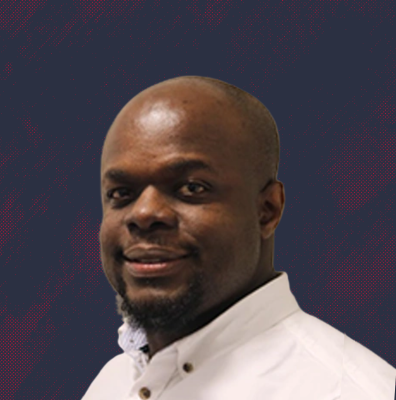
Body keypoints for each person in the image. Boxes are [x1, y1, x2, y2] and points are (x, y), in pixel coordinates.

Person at [82, 76, 395, 400]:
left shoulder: (346, 392)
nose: (144, 213)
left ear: (267, 211)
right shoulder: (114, 380)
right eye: (121, 193)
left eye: (191, 188)